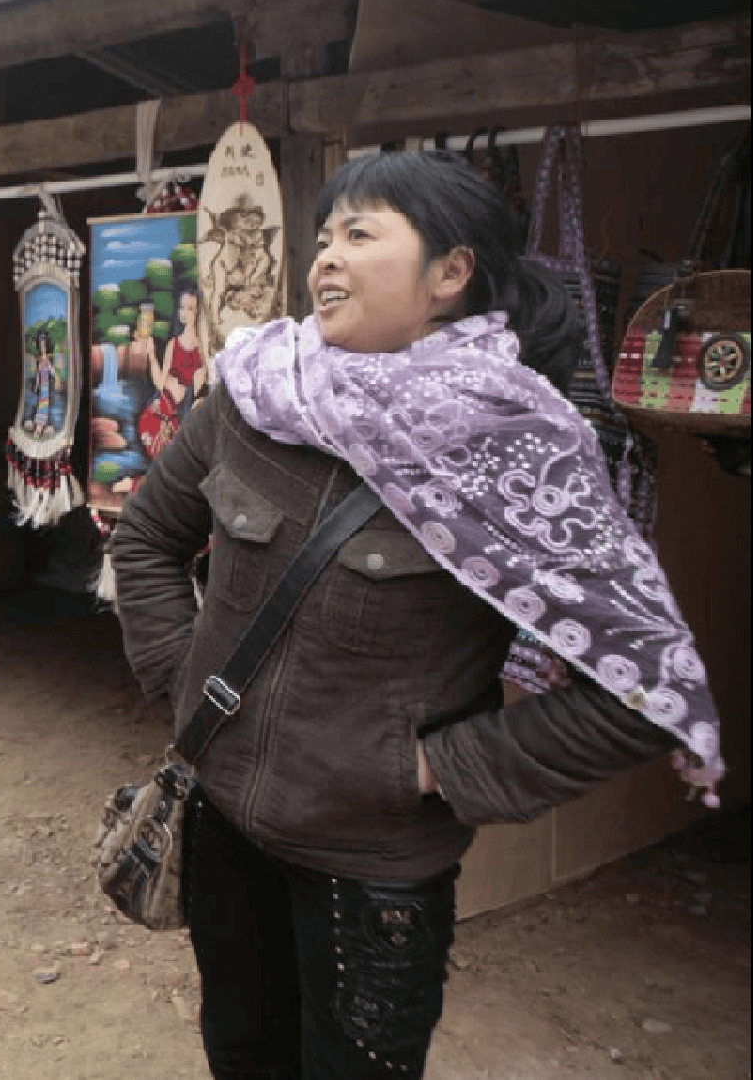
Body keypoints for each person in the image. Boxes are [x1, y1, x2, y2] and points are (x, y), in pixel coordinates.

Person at [109, 151, 724, 1080]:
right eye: (323, 236)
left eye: (359, 233)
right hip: (222, 827)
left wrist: (436, 767)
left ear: (449, 272)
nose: (325, 255)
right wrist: (183, 680)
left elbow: (643, 687)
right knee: (239, 1054)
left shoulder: (521, 449)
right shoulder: (255, 392)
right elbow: (147, 539)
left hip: (371, 875)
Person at [135, 286, 205, 460]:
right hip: (159, 409)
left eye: (190, 308)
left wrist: (191, 398)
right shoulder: (173, 344)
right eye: (182, 307)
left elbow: (199, 391)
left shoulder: (202, 348)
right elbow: (160, 383)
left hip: (180, 415)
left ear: (198, 312)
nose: (184, 313)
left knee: (173, 454)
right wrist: (152, 354)